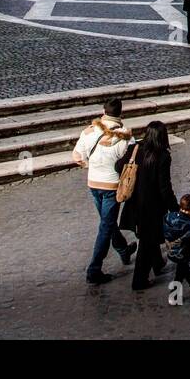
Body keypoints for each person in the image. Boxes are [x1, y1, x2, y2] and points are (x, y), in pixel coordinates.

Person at [72, 102, 137, 284]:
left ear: (103, 112)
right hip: (111, 187)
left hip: (93, 183)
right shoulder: (126, 137)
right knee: (106, 226)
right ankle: (94, 270)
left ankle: (123, 249)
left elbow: (76, 157)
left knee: (107, 223)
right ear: (120, 113)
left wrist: (89, 166)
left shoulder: (88, 132)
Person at [118, 120, 178, 291]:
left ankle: (158, 264)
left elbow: (118, 166)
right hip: (152, 207)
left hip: (134, 203)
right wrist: (175, 208)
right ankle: (139, 281)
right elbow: (164, 187)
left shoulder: (134, 149)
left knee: (148, 238)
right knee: (146, 242)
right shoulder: (163, 156)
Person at [163, 193, 190, 289]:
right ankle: (174, 295)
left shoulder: (169, 217)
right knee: (179, 273)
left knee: (183, 266)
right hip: (183, 253)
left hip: (170, 251)